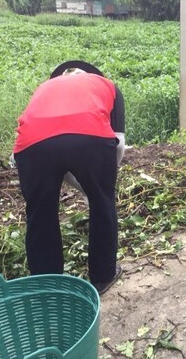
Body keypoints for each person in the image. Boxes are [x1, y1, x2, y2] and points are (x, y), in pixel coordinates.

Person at [13, 60, 126, 295]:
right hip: (90, 137)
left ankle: (48, 284)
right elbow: (119, 143)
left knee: (39, 211)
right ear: (94, 74)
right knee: (102, 202)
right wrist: (99, 186)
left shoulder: (45, 87)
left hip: (31, 146)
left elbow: (51, 142)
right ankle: (103, 276)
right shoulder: (108, 85)